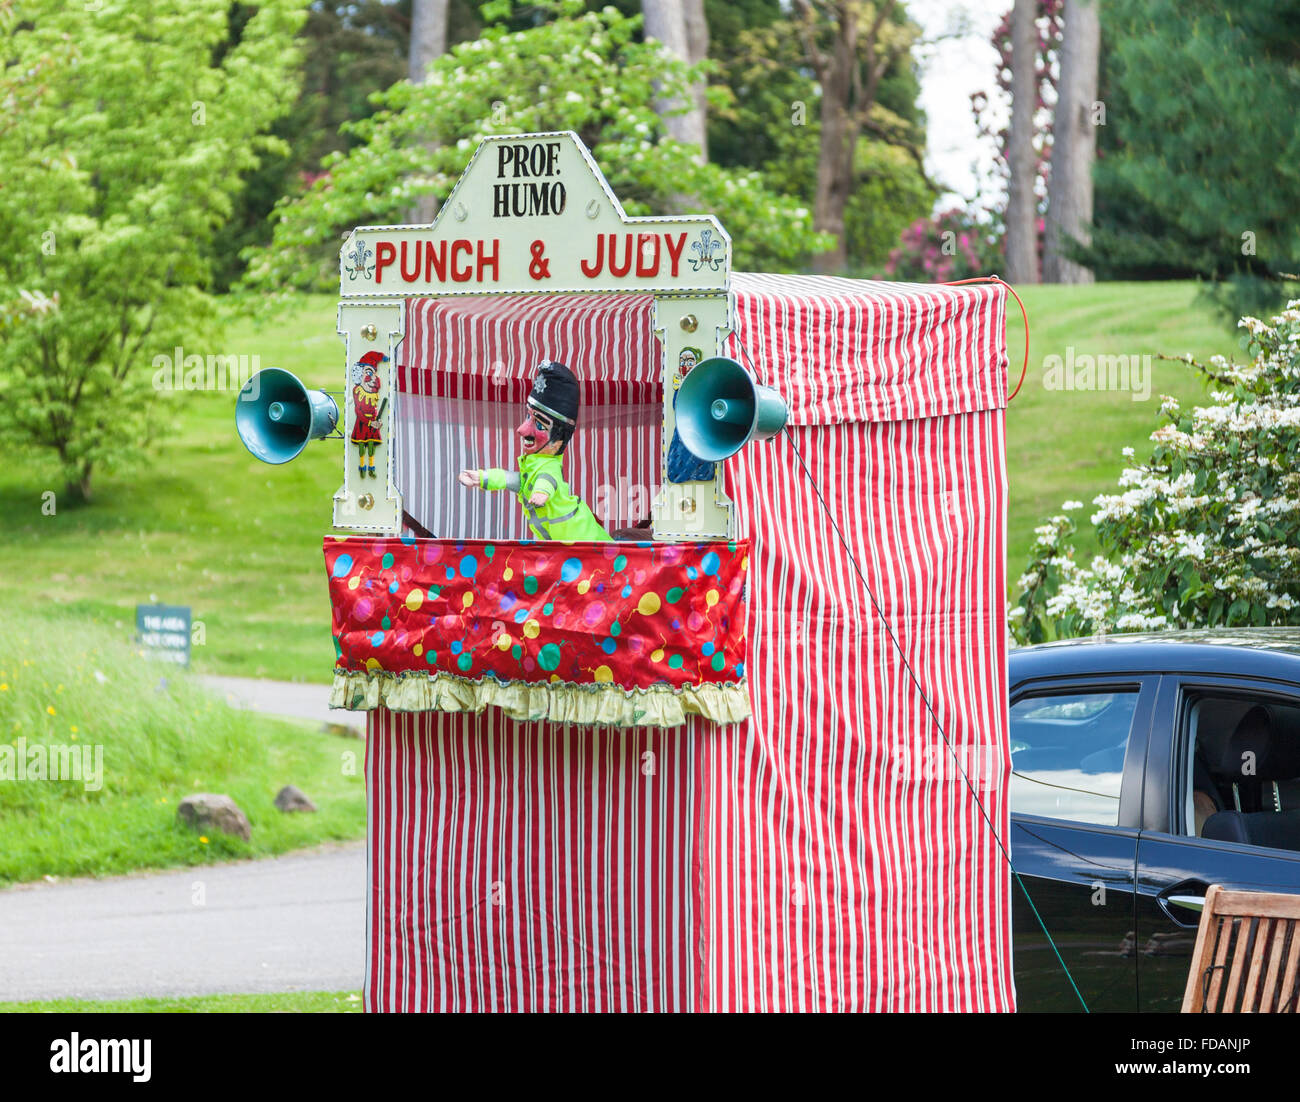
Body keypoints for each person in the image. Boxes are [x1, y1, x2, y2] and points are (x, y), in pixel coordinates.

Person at [458, 360, 611, 541]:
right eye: (527, 417)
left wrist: (542, 492)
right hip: (564, 547)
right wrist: (484, 478)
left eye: (539, 424)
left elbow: (548, 479)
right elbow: (518, 481)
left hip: (583, 542)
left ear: (558, 440)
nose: (522, 430)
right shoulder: (534, 466)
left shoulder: (548, 466)